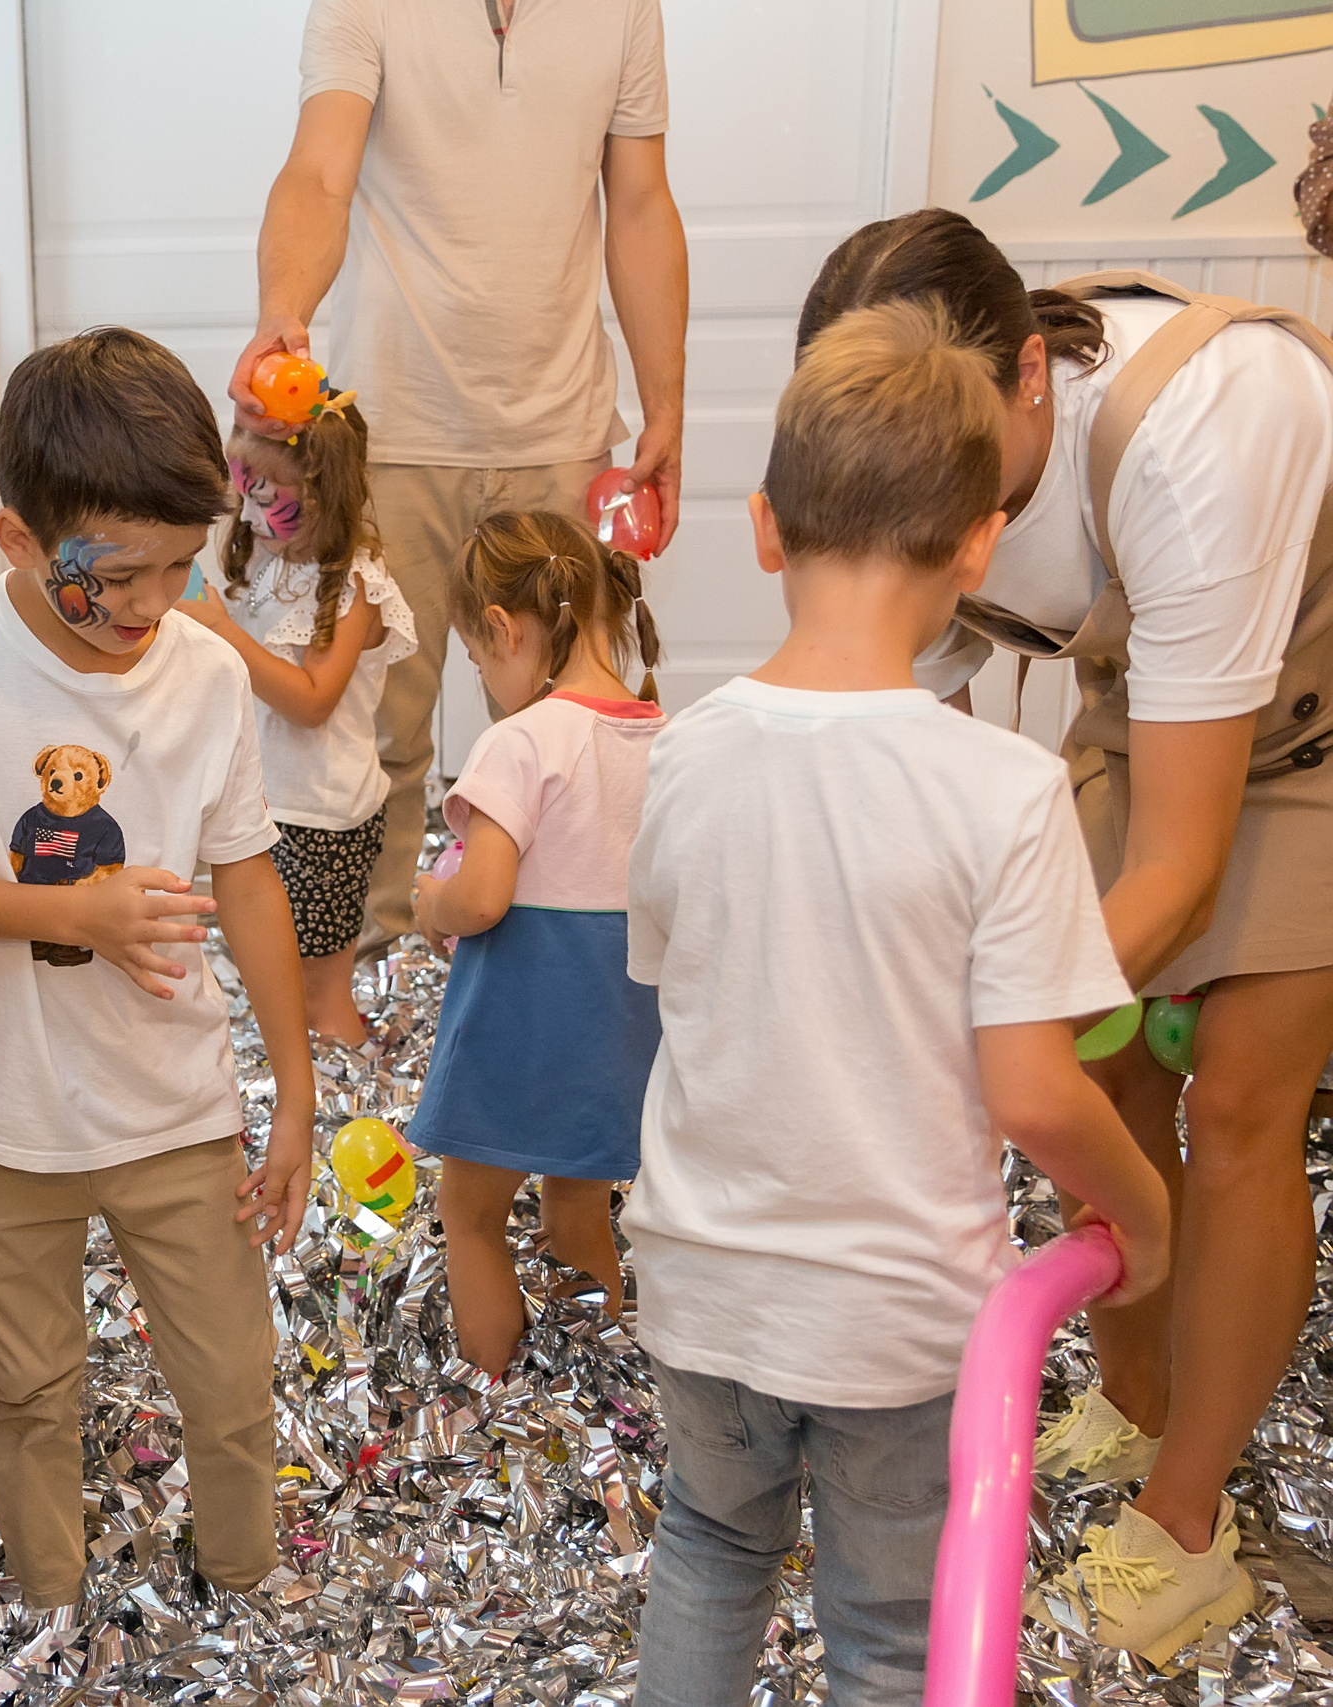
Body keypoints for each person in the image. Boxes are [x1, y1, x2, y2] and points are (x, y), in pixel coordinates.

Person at [621, 299, 1174, 1704]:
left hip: (706, 1282)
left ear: (764, 525)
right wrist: (1144, 1214)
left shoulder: (683, 758)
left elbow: (674, 997)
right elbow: (1039, 1090)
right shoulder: (999, 788)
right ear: (980, 539)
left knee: (704, 1549)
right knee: (884, 1631)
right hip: (901, 1319)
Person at [797, 209, 1333, 1656]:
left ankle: (1191, 1516)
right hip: (1150, 704)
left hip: (1318, 718)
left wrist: (990, 1031)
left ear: (1031, 373)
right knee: (1109, 1076)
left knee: (1236, 1095)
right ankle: (1137, 1383)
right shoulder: (940, 444)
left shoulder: (1203, 426)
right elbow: (928, 748)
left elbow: (1188, 855)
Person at [0, 328, 318, 1610]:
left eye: (181, 566)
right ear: (18, 542)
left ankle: (248, 1581)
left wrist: (294, 1090)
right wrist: (78, 909)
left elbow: (248, 876)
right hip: (6, 1123)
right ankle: (49, 1609)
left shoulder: (209, 674)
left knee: (231, 1381)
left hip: (176, 1109)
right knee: (31, 1390)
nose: (153, 604)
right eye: (116, 575)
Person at [235, 0, 689, 947]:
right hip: (394, 430)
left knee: (565, 730)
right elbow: (320, 173)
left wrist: (666, 404)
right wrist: (284, 309)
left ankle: (547, 955)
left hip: (560, 432)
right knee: (378, 734)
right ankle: (378, 964)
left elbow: (641, 203)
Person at [406, 511, 663, 1377]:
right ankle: (591, 1388)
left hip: (526, 1018)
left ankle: (495, 1394)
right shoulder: (661, 734)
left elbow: (482, 898)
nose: (483, 677)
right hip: (619, 1026)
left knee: (471, 1212)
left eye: (477, 660)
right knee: (579, 1212)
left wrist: (429, 902)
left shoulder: (521, 740)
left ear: (506, 630)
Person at [174, 398, 415, 1046]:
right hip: (266, 800)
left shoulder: (354, 583)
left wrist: (224, 632)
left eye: (264, 497)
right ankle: (293, 1073)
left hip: (322, 816)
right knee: (272, 968)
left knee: (319, 994)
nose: (247, 514)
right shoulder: (273, 557)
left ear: (322, 492)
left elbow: (312, 702)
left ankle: (345, 1081)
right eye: (242, 493)